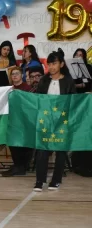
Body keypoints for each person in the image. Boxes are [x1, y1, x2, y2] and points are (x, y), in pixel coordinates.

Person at [33, 49, 76, 192]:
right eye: (49, 64)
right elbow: (38, 99)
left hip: (62, 122)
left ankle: (56, 180)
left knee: (61, 151)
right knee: (42, 150)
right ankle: (40, 180)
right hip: (45, 120)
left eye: (54, 63)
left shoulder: (68, 81)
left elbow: (73, 102)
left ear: (62, 64)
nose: (51, 67)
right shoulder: (44, 80)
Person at [1, 67, 33, 177]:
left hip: (24, 120)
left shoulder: (27, 88)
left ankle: (21, 166)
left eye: (17, 73)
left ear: (21, 75)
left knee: (21, 143)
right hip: (12, 119)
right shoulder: (8, 89)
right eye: (12, 74)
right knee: (12, 142)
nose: (14, 76)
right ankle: (18, 165)